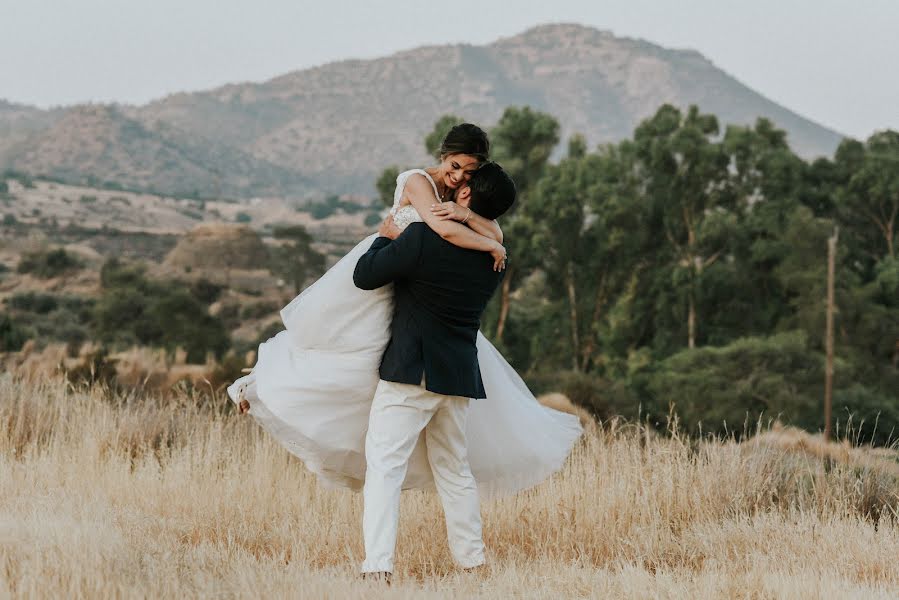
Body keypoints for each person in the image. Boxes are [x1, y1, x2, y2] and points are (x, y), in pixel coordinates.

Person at [227, 123, 581, 500]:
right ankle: (257, 385)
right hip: (384, 269)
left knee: (369, 367)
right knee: (348, 352)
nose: (459, 176)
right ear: (443, 155)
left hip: (412, 283)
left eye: (469, 173)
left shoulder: (459, 195)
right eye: (456, 165)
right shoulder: (417, 181)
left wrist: (476, 225)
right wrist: (490, 246)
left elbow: (494, 230)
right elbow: (444, 230)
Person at [353, 161, 514, 578]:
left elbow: (364, 276)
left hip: (411, 371)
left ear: (465, 196)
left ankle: (377, 567)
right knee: (455, 470)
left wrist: (383, 237)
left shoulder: (421, 237)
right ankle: (472, 561)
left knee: (386, 467)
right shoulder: (494, 259)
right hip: (458, 375)